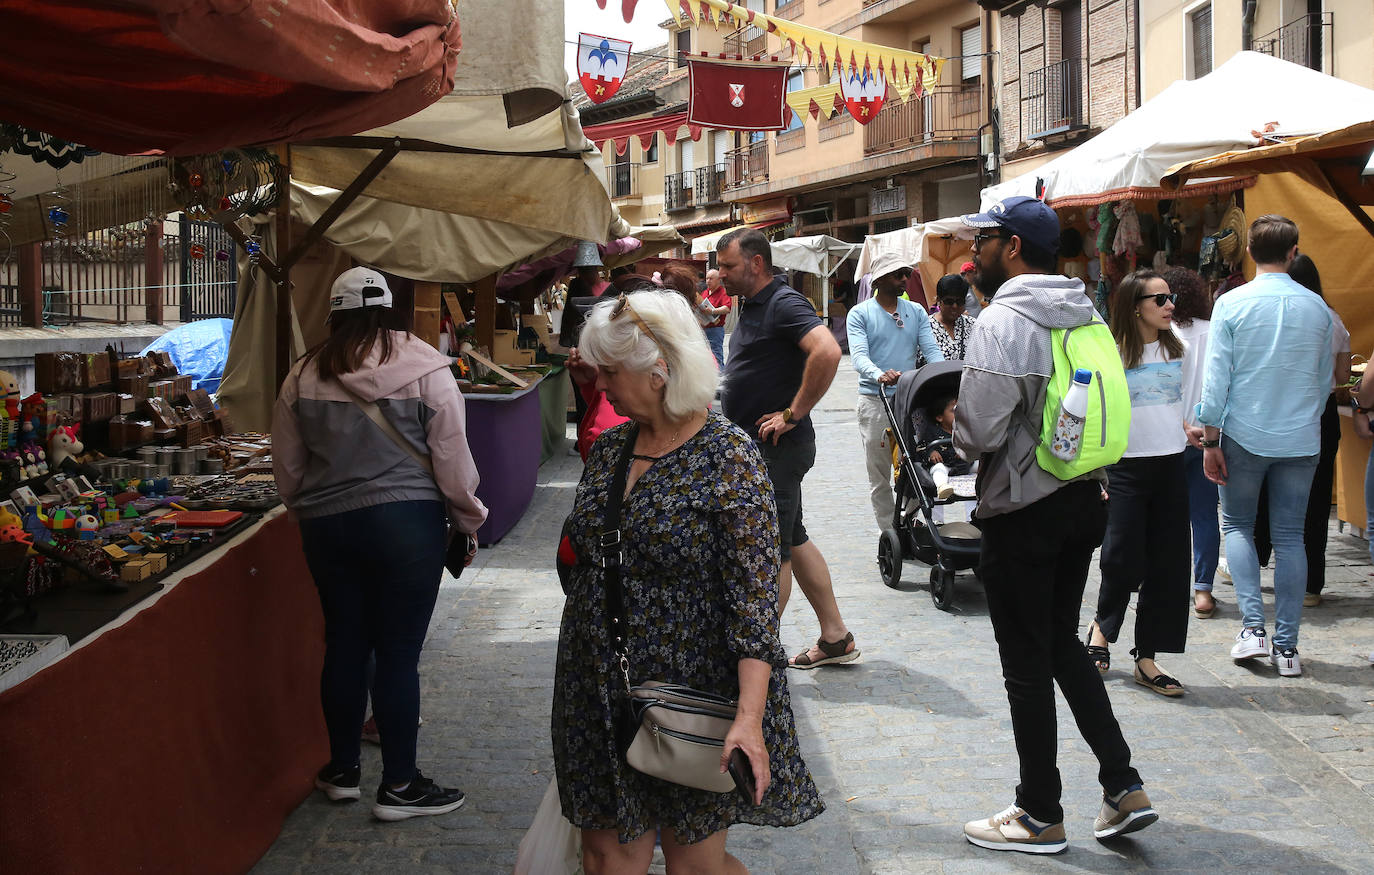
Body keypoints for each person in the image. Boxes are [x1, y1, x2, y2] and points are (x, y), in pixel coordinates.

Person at [553, 289, 824, 873]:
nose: (600, 387)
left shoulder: (729, 457)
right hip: (597, 685)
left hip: (693, 691)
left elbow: (754, 608)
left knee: (694, 864)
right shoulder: (611, 448)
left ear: (661, 370)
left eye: (610, 372)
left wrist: (749, 719)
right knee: (605, 857)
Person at [954, 197, 1155, 854]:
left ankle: (1040, 813)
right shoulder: (1084, 307)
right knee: (1062, 642)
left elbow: (979, 430)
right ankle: (1124, 784)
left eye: (983, 240)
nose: (974, 253)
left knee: (1025, 664)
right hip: (1083, 497)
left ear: (1011, 246)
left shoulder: (1003, 321)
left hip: (1023, 507)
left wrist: (953, 422)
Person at [272, 267, 487, 821]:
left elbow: (287, 467)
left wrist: (305, 510)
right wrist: (467, 518)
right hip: (406, 525)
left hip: (327, 526)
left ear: (334, 313)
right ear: (389, 309)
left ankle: (342, 770)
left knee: (344, 642)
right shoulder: (425, 367)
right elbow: (452, 458)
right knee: (397, 651)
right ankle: (400, 785)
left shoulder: (303, 373)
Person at [716, 228, 861, 670]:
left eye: (728, 266)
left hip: (777, 449)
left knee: (770, 551)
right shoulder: (752, 305)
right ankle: (836, 638)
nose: (720, 275)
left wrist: (792, 414)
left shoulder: (784, 303)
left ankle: (758, 659)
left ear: (756, 264)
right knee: (793, 539)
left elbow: (827, 352)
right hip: (762, 450)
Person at [1196, 215, 1333, 679]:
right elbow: (1322, 384)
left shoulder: (1231, 304)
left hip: (1244, 431)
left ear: (1249, 252)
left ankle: (1254, 628)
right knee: (1291, 536)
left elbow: (1217, 380)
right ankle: (1288, 647)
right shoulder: (1317, 308)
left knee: (1237, 524)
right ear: (1293, 252)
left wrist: (1210, 435)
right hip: (1299, 435)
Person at [1085, 270, 1192, 697]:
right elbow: (1096, 412)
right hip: (1125, 467)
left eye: (1171, 297)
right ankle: (1101, 628)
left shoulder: (1181, 346)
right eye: (1159, 299)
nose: (1170, 305)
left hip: (1171, 464)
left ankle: (1146, 656)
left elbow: (1196, 395)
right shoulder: (1110, 353)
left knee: (1167, 563)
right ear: (1135, 307)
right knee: (1122, 556)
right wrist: (1098, 472)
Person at [1251, 254, 1349, 607]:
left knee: (1264, 487)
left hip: (1277, 409)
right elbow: (1341, 378)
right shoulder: (1332, 318)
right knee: (1317, 499)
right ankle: (1310, 585)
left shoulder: (1277, 315)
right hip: (1320, 414)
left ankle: (1257, 556)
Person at [846, 253, 944, 533]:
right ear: (878, 279)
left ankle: (913, 524)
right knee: (879, 474)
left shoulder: (915, 312)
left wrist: (944, 376)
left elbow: (931, 351)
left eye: (906, 273)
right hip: (874, 402)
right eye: (897, 274)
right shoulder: (860, 313)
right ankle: (890, 533)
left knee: (914, 465)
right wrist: (879, 374)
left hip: (909, 400)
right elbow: (859, 357)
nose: (904, 279)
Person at [1163, 266, 1220, 619]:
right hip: (1209, 436)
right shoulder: (1215, 332)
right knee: (1204, 515)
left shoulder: (1161, 333)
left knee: (1165, 516)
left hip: (1169, 434)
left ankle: (1166, 582)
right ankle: (1203, 590)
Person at [930, 274, 977, 361]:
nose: (955, 306)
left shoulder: (973, 325)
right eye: (949, 301)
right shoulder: (926, 327)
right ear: (938, 300)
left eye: (959, 302)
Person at [699, 268, 733, 365]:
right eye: (707, 279)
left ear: (718, 280)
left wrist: (712, 311)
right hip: (704, 328)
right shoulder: (705, 292)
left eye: (711, 279)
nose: (708, 281)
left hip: (715, 329)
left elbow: (727, 308)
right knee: (706, 356)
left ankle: (721, 378)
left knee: (717, 357)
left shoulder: (723, 292)